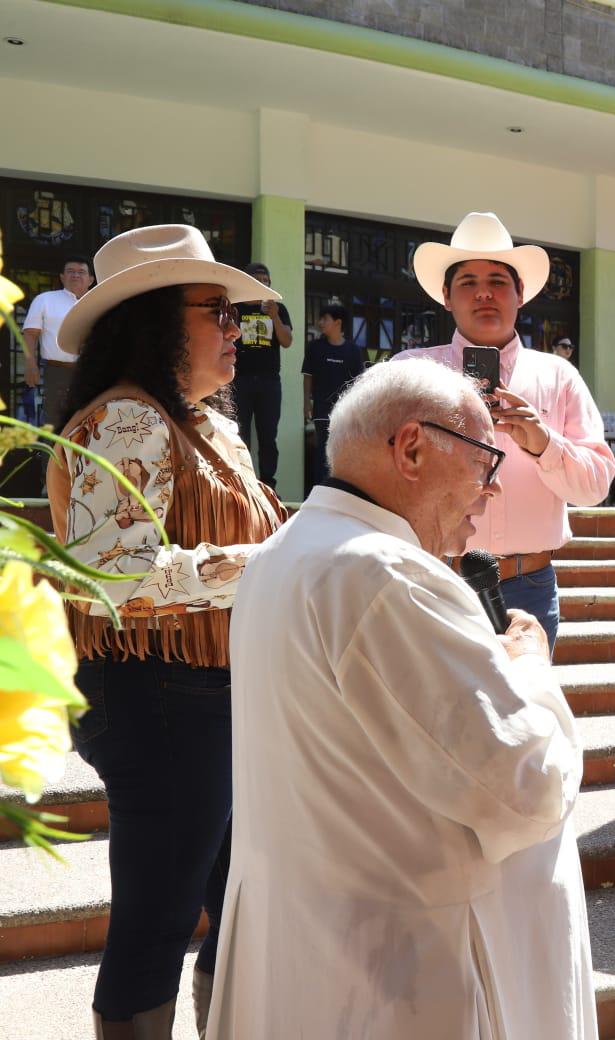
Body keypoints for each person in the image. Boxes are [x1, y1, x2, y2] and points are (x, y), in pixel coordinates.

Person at [207, 359, 594, 1040]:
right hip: (399, 971)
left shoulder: (281, 553)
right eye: (485, 462)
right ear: (411, 448)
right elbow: (524, 789)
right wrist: (530, 669)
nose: (493, 489)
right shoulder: (386, 574)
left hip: (318, 946)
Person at [45, 225, 287, 1037]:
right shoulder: (125, 417)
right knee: (160, 916)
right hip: (156, 693)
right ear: (154, 320)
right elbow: (110, 573)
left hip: (204, 692)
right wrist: (272, 565)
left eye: (235, 314)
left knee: (239, 900)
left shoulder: (207, 424)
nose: (235, 328)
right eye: (218, 310)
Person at [392, 211, 614, 650]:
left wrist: (544, 444)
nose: (484, 293)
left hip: (530, 585)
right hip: (435, 579)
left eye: (497, 280)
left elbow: (595, 487)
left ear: (520, 294)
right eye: (468, 282)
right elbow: (378, 472)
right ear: (446, 296)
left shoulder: (558, 376)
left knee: (525, 696)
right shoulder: (409, 372)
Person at [230, 262, 293, 488]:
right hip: (240, 381)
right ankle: (243, 483)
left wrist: (274, 317)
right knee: (240, 435)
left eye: (266, 281)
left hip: (269, 382)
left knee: (268, 436)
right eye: (258, 280)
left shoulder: (279, 309)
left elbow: (287, 341)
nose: (263, 284)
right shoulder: (236, 308)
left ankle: (268, 485)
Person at [21, 254, 94, 428]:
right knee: (54, 421)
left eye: (81, 272)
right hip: (56, 371)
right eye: (70, 271)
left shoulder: (99, 301)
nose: (75, 275)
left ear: (91, 279)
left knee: (90, 420)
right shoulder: (45, 299)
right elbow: (30, 334)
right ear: (62, 277)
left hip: (91, 371)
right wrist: (30, 365)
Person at [301, 302, 365, 486]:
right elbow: (308, 376)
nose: (320, 322)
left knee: (342, 452)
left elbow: (358, 383)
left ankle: (339, 490)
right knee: (322, 451)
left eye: (325, 319)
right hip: (321, 410)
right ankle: (319, 490)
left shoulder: (353, 351)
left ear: (338, 323)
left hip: (345, 413)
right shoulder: (314, 347)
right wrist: (306, 404)